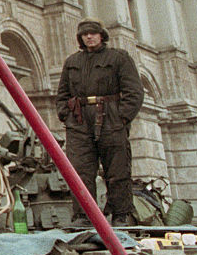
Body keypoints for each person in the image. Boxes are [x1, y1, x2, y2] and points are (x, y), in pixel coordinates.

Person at [56, 18, 143, 225]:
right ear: (80, 38)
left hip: (111, 118)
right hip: (79, 121)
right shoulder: (72, 62)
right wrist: (65, 115)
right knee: (79, 170)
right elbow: (63, 93)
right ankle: (83, 215)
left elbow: (134, 91)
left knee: (117, 169)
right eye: (85, 34)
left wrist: (122, 117)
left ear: (102, 35)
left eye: (93, 33)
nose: (89, 37)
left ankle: (120, 214)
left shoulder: (119, 58)